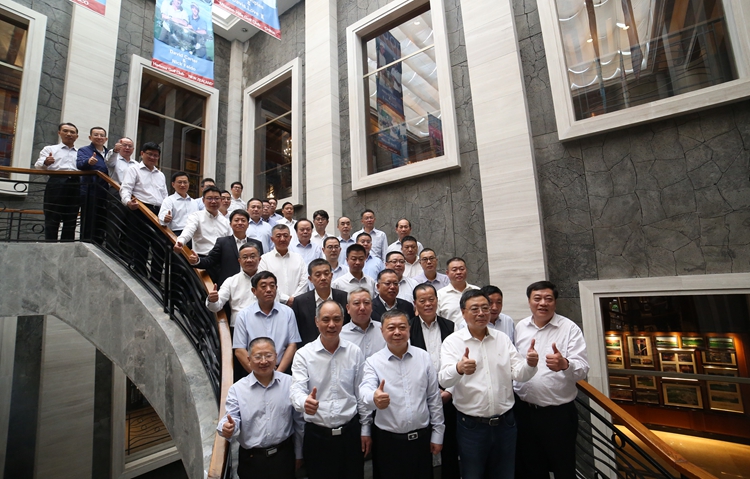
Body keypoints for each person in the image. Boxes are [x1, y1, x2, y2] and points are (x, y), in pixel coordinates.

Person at [439, 290, 539, 479]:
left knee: (505, 473)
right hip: (471, 426)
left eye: (485, 308)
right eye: (475, 309)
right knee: (473, 474)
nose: (481, 313)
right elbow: (444, 379)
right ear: (463, 312)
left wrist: (530, 364)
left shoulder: (502, 338)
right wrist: (459, 368)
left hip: (506, 424)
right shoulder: (452, 342)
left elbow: (519, 374)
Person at [513, 281, 589, 479]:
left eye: (548, 299)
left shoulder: (569, 328)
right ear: (529, 301)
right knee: (532, 468)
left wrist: (565, 364)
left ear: (555, 302)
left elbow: (582, 370)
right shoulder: (521, 327)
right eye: (537, 298)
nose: (542, 303)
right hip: (524, 412)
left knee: (563, 468)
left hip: (558, 415)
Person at [290, 300, 371, 479]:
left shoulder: (354, 352)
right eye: (326, 319)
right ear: (316, 321)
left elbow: (360, 393)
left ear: (343, 321)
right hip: (318, 437)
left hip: (350, 434)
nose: (332, 325)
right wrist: (304, 402)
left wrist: (365, 428)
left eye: (337, 319)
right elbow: (296, 390)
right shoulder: (303, 355)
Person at [360, 310, 444, 479]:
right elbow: (365, 390)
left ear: (409, 329)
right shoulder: (373, 362)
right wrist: (374, 398)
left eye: (402, 327)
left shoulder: (423, 357)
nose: (397, 332)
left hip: (421, 440)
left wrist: (438, 434)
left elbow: (433, 398)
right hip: (388, 443)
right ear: (382, 331)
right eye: (391, 328)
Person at [217, 337, 304, 479]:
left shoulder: (289, 383)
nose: (263, 361)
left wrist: (299, 454)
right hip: (252, 460)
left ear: (276, 356)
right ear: (249, 359)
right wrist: (227, 428)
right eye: (258, 357)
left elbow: (299, 422)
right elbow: (231, 418)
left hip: (283, 457)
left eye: (268, 355)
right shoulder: (237, 389)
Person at [409, 283, 460, 479]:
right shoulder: (408, 328)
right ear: (415, 304)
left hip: (448, 395)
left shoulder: (451, 326)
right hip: (420, 398)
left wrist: (449, 391)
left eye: (431, 299)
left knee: (450, 447)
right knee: (422, 450)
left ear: (437, 301)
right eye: (422, 301)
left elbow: (459, 363)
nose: (428, 304)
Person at [233, 271, 301, 377]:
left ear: (276, 288)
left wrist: (278, 374)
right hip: (253, 373)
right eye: (263, 286)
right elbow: (239, 350)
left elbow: (292, 345)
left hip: (283, 370)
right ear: (254, 291)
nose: (269, 290)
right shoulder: (243, 315)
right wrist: (258, 374)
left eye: (272, 286)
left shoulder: (288, 312)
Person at [119, 142, 169, 283]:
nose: (153, 157)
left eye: (156, 155)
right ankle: (141, 277)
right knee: (140, 245)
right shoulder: (134, 169)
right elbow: (126, 188)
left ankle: (155, 280)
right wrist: (128, 202)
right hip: (140, 209)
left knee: (159, 246)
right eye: (150, 154)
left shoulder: (161, 175)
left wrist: (167, 211)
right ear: (142, 154)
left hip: (158, 212)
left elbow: (165, 195)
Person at [188, 209, 263, 286]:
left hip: (252, 284)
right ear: (230, 224)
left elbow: (261, 265)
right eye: (236, 220)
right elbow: (210, 260)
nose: (240, 223)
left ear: (248, 224)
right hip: (228, 285)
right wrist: (197, 260)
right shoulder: (222, 242)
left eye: (243, 220)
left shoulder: (257, 244)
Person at [34, 122, 80, 242]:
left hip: (75, 184)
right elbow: (38, 165)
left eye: (72, 132)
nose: (69, 134)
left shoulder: (80, 152)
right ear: (59, 133)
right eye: (65, 131)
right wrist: (46, 162)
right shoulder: (50, 149)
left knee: (71, 217)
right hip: (56, 183)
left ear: (76, 136)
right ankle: (50, 245)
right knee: (52, 215)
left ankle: (67, 246)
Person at [291, 259, 349, 347]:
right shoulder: (299, 302)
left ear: (331, 275)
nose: (323, 278)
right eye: (318, 275)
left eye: (326, 274)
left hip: (340, 348)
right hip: (309, 351)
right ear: (310, 279)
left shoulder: (345, 298)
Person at [206, 243, 262, 326]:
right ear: (239, 261)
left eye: (253, 256)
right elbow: (216, 307)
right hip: (239, 326)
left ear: (259, 259)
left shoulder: (268, 280)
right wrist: (212, 300)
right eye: (245, 257)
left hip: (264, 324)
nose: (249, 260)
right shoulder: (231, 281)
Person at [257, 224, 308, 306]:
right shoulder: (264, 259)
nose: (282, 239)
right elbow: (265, 283)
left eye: (285, 236)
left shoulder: (298, 258)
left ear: (290, 238)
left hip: (298, 304)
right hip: (274, 304)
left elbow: (304, 281)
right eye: (278, 236)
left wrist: (295, 299)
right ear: (272, 239)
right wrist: (286, 299)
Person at [174, 186, 231, 255]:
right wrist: (181, 241)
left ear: (221, 200)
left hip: (222, 257)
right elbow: (188, 231)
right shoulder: (196, 217)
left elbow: (231, 240)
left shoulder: (225, 221)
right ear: (203, 200)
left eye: (216, 198)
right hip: (202, 257)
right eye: (209, 198)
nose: (213, 201)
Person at [76, 126, 110, 243]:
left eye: (102, 135)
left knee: (102, 221)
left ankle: (99, 245)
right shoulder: (84, 150)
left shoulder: (109, 153)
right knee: (88, 221)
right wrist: (88, 162)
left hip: (106, 192)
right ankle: (86, 243)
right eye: (96, 135)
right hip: (90, 191)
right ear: (90, 137)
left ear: (106, 139)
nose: (99, 137)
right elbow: (79, 164)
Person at [340, 288, 384, 358]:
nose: (362, 308)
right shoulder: (340, 335)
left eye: (366, 303)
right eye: (357, 303)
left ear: (371, 307)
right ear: (348, 308)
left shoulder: (384, 330)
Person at [437, 257, 478, 323]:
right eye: (454, 270)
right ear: (447, 273)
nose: (458, 272)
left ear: (466, 270)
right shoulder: (439, 295)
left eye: (462, 269)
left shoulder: (477, 291)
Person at [158, 171, 199, 237]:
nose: (182, 185)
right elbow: (162, 218)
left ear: (189, 184)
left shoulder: (194, 202)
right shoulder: (169, 200)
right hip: (177, 233)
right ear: (173, 184)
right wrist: (165, 219)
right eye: (179, 182)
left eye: (185, 182)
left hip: (194, 234)